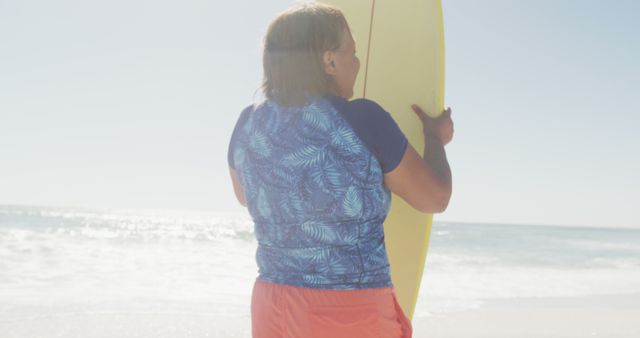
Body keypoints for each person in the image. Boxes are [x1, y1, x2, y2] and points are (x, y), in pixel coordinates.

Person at [227, 3, 453, 338]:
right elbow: (434, 198)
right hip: (348, 311)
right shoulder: (363, 118)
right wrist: (435, 140)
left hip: (273, 306)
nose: (358, 62)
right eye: (353, 51)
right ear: (330, 61)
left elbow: (246, 197)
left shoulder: (247, 123)